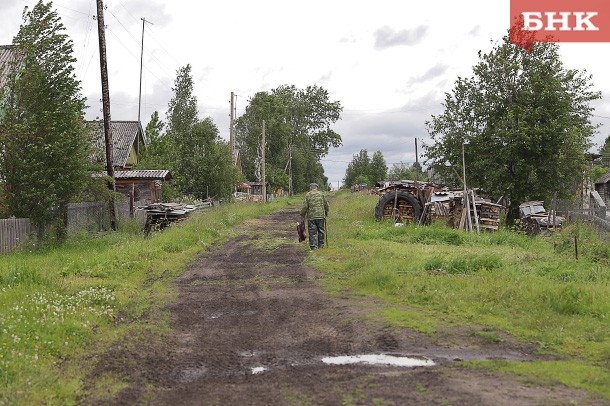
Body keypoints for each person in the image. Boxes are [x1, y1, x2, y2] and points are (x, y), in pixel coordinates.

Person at [300, 182, 329, 250]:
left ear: (310, 188)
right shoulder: (321, 194)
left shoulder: (308, 194)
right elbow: (326, 205)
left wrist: (302, 215)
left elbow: (305, 206)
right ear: (317, 187)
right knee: (321, 231)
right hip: (320, 216)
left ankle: (313, 246)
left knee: (312, 232)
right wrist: (326, 212)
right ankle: (321, 246)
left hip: (311, 217)